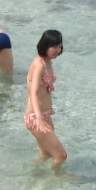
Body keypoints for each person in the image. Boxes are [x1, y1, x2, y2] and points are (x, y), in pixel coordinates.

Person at [25, 29, 66, 172]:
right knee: (60, 155)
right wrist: (39, 118)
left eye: (59, 46)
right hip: (35, 117)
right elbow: (33, 93)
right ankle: (57, 178)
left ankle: (31, 174)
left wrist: (45, 117)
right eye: (54, 47)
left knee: (46, 154)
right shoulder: (39, 65)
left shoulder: (47, 62)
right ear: (45, 46)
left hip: (45, 115)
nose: (57, 50)